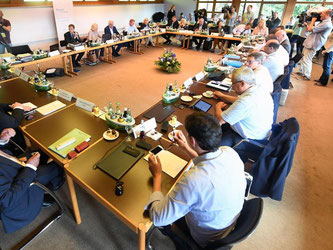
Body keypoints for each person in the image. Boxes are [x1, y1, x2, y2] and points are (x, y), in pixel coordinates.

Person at [146, 112, 246, 249]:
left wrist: (157, 175)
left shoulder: (193, 180)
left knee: (160, 208)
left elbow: (158, 217)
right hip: (226, 223)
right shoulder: (230, 152)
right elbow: (207, 162)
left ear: (193, 140)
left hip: (207, 238)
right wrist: (185, 148)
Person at [0, 143, 64, 234]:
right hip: (18, 201)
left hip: (10, 168)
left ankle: (47, 189)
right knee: (60, 163)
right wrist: (30, 167)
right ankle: (50, 186)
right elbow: (7, 199)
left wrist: (1, 141)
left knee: (46, 151)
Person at [213, 66, 274, 147]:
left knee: (212, 147)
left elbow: (221, 119)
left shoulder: (246, 101)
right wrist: (222, 96)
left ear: (242, 83)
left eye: (233, 83)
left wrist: (218, 106)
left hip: (248, 140)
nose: (232, 86)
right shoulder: (259, 89)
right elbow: (238, 100)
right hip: (260, 132)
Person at [298, 9, 333, 80]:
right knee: (303, 57)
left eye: (322, 13)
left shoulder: (326, 24)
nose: (320, 15)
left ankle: (307, 75)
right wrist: (307, 25)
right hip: (310, 43)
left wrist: (313, 20)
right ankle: (302, 72)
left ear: (327, 15)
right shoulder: (323, 22)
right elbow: (310, 29)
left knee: (307, 59)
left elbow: (311, 29)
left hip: (313, 44)